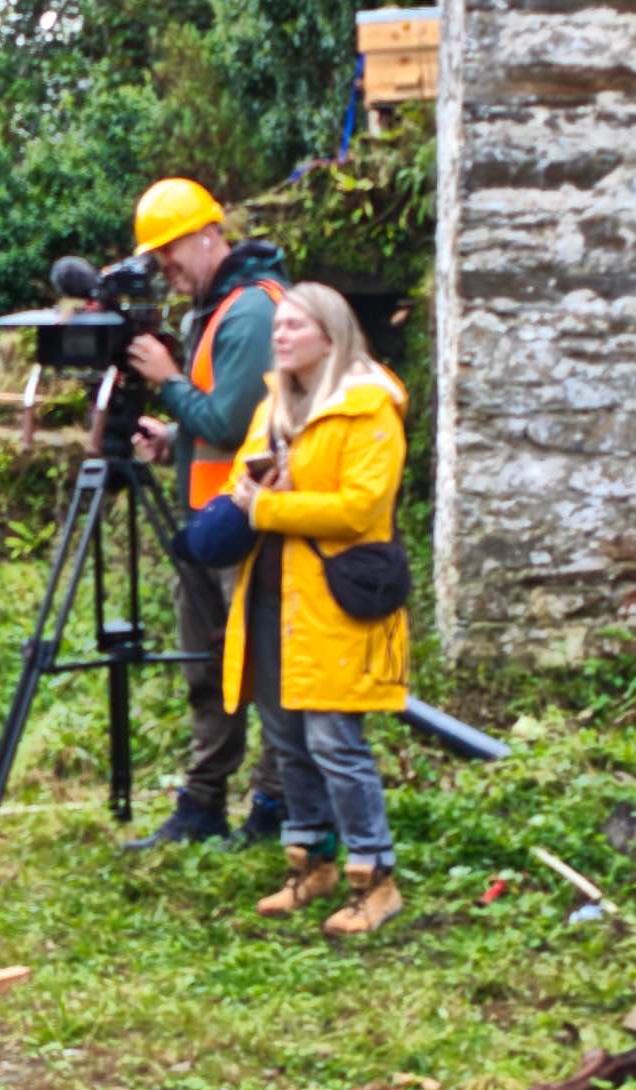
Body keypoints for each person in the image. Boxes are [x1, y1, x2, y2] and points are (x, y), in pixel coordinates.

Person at [222, 282, 410, 936]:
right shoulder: (276, 401)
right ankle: (314, 863)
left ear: (331, 335)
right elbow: (237, 484)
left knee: (335, 740)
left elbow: (360, 507)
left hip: (335, 598)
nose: (281, 334)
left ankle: (376, 880)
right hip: (274, 592)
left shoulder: (368, 409)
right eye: (278, 324)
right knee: (286, 736)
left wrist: (269, 506)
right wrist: (250, 492)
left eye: (296, 325)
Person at [122, 177, 289, 850]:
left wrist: (165, 378)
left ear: (208, 235)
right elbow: (214, 427)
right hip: (210, 522)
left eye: (170, 251)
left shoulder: (250, 311)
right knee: (206, 663)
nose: (164, 267)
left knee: (265, 665)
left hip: (245, 524)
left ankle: (275, 803)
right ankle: (203, 803)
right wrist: (173, 439)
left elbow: (230, 419)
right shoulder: (215, 309)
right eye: (156, 255)